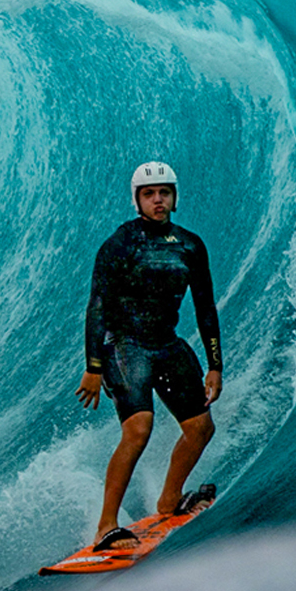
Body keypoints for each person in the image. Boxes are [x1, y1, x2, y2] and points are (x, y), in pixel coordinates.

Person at [74, 160, 223, 550]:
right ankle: (106, 526)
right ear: (137, 199)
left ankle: (170, 501)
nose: (158, 200)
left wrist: (215, 366)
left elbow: (205, 307)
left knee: (201, 429)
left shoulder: (190, 245)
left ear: (175, 197)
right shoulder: (120, 244)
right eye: (149, 194)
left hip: (167, 344)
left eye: (164, 193)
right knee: (138, 429)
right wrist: (93, 367)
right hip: (125, 347)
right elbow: (97, 307)